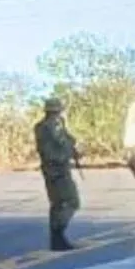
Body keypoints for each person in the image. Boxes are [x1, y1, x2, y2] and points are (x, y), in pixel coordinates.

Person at [34, 97, 82, 251]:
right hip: (59, 169)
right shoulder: (54, 125)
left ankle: (56, 239)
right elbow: (62, 142)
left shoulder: (40, 126)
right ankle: (58, 233)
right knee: (71, 202)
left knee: (56, 204)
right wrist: (72, 148)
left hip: (49, 169)